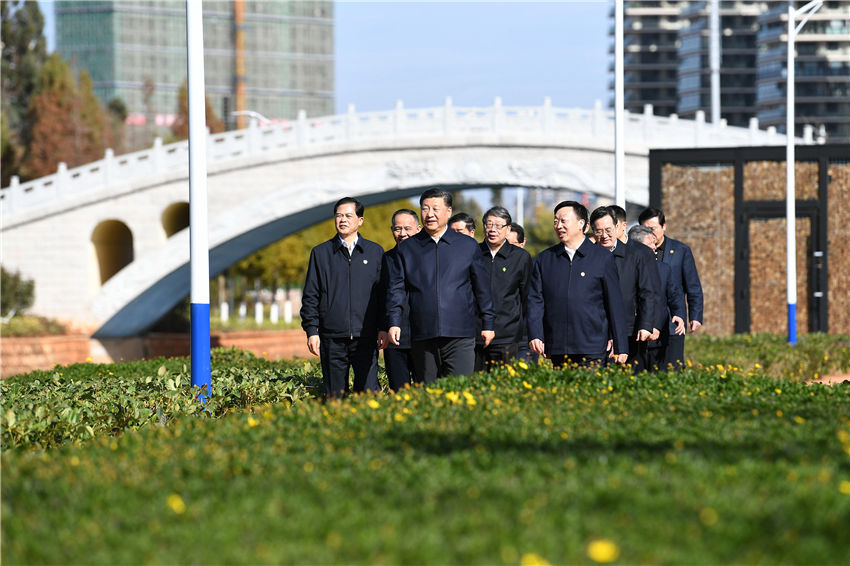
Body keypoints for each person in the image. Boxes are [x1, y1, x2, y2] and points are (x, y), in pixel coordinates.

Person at [386, 188, 495, 383]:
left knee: (459, 391)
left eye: (435, 208)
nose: (430, 214)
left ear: (449, 211)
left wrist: (488, 323)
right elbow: (397, 289)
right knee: (429, 393)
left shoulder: (467, 246)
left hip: (460, 333)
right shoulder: (407, 248)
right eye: (425, 208)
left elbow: (482, 288)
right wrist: (394, 321)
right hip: (422, 333)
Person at [526, 200, 629, 368]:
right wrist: (536, 334)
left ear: (582, 224)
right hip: (558, 346)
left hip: (592, 345)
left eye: (563, 220)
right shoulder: (545, 259)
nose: (558, 225)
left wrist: (621, 345)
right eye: (555, 221)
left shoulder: (602, 258)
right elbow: (535, 301)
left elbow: (614, 303)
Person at [300, 197, 385, 399]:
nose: (343, 220)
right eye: (339, 215)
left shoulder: (375, 252)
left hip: (366, 337)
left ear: (360, 220)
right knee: (335, 398)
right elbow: (311, 294)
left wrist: (383, 326)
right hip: (332, 339)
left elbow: (383, 295)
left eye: (348, 215)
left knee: (367, 395)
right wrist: (312, 330)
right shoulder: (321, 253)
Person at [590, 206, 661, 373]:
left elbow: (649, 292)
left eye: (608, 229)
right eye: (599, 231)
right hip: (595, 331)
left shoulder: (639, 254)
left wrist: (646, 324)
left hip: (631, 330)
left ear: (617, 227)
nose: (604, 235)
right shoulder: (587, 255)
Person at [639, 207, 703, 369]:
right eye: (645, 229)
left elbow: (692, 285)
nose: (650, 233)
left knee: (671, 367)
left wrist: (695, 316)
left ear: (664, 226)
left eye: (653, 229)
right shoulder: (637, 253)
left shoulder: (680, 251)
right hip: (646, 322)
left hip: (673, 320)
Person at [474, 207, 532, 371]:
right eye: (489, 224)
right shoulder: (473, 253)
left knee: (504, 387)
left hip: (507, 336)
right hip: (475, 335)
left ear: (508, 229)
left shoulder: (521, 257)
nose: (493, 229)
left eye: (499, 226)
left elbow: (526, 297)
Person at [628, 225, 686, 371]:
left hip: (659, 339)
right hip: (633, 338)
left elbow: (675, 296)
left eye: (655, 243)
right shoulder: (624, 269)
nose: (654, 248)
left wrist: (679, 315)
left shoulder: (664, 269)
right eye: (650, 244)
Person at [381, 209, 421, 391]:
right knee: (399, 393)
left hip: (424, 338)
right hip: (395, 339)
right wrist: (382, 327)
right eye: (397, 229)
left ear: (419, 229)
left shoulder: (430, 257)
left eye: (407, 228)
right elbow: (380, 297)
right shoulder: (385, 259)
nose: (402, 233)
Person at [507, 222, 538, 363]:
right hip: (502, 337)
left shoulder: (534, 268)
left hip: (525, 337)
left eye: (512, 245)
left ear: (522, 242)